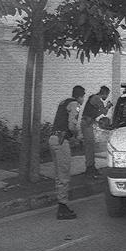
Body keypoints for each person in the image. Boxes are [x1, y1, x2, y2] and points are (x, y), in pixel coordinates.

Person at [49, 85, 86, 220]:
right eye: (83, 97)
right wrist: (78, 136)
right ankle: (62, 208)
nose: (83, 100)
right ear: (80, 96)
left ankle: (61, 204)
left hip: (53, 138)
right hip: (61, 141)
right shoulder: (75, 104)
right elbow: (72, 125)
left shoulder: (63, 102)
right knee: (64, 174)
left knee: (59, 175)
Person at [81, 86, 114, 178]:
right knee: (90, 147)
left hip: (88, 123)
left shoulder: (94, 98)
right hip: (86, 124)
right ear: (104, 93)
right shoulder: (96, 98)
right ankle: (90, 169)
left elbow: (97, 113)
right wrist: (107, 106)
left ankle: (91, 167)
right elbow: (104, 112)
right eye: (107, 95)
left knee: (90, 147)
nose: (107, 97)